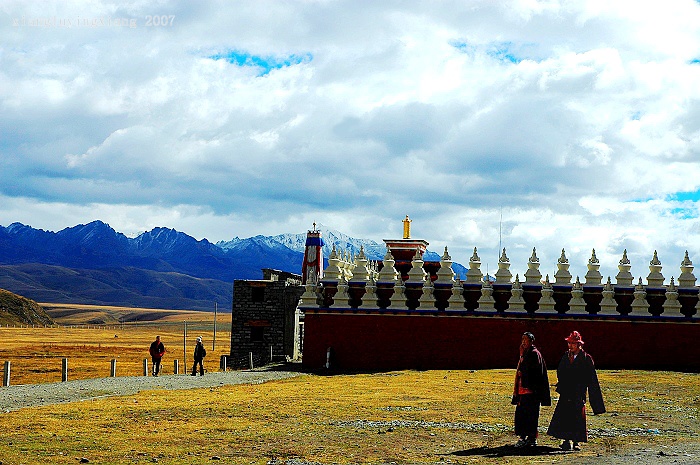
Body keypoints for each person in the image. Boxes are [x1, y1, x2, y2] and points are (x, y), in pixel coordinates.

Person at [547, 330, 605, 451]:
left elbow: (591, 378)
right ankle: (566, 440)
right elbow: (560, 371)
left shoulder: (586, 358)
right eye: (569, 343)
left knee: (578, 417)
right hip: (566, 391)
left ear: (579, 344)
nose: (570, 346)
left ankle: (576, 441)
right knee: (565, 416)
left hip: (578, 392)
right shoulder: (565, 356)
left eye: (573, 343)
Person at [512, 332, 551, 447]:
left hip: (531, 392)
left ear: (531, 341)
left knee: (531, 415)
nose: (523, 342)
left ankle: (531, 438)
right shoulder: (525, 353)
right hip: (523, 391)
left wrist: (523, 374)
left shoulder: (534, 354)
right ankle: (523, 437)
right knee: (522, 415)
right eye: (522, 339)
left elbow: (537, 373)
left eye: (526, 340)